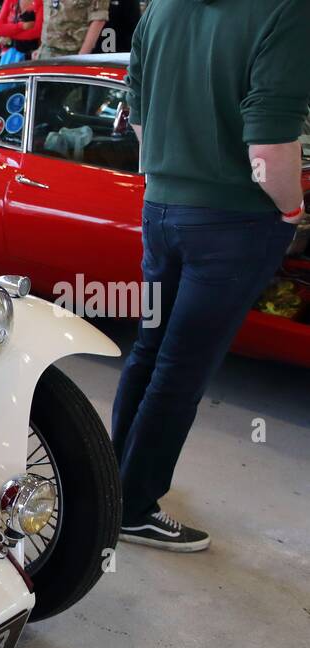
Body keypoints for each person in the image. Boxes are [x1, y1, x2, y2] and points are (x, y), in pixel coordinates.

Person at [112, 0, 310, 551]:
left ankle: (111, 485)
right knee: (181, 370)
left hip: (160, 211)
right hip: (233, 224)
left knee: (149, 352)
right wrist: (291, 213)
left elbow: (140, 117)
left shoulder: (161, 8)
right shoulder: (286, 12)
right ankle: (133, 506)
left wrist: (168, 182)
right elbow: (268, 148)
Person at [38, 0, 108, 58]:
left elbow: (99, 20)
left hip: (72, 53)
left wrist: (82, 58)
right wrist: (40, 49)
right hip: (45, 51)